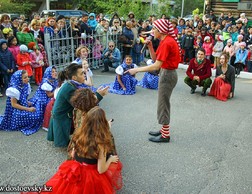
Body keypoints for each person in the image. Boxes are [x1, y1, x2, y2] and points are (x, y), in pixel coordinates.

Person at [26, 107, 123, 194]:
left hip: (75, 169)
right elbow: (101, 170)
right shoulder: (101, 143)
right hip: (90, 176)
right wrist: (110, 160)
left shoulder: (79, 135)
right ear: (103, 124)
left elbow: (72, 154)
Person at [126, 19, 180, 143]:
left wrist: (137, 70)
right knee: (163, 103)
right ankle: (163, 130)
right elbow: (156, 59)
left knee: (163, 104)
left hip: (168, 74)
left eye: (154, 29)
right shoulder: (165, 41)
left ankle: (165, 135)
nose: (152, 31)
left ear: (160, 30)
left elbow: (156, 66)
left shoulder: (167, 42)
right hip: (166, 73)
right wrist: (150, 46)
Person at [47, 63, 109, 147]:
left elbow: (83, 99)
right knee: (64, 142)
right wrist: (98, 95)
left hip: (64, 113)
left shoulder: (72, 84)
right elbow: (83, 105)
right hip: (62, 115)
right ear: (74, 78)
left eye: (84, 73)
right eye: (81, 73)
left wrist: (96, 94)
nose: (84, 75)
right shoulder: (70, 88)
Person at [0, 70, 44, 135]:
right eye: (25, 78)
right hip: (15, 111)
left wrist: (27, 102)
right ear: (19, 79)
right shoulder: (14, 89)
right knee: (35, 116)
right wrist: (28, 109)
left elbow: (21, 98)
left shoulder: (25, 85)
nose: (27, 79)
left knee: (38, 105)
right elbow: (14, 105)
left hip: (23, 105)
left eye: (27, 77)